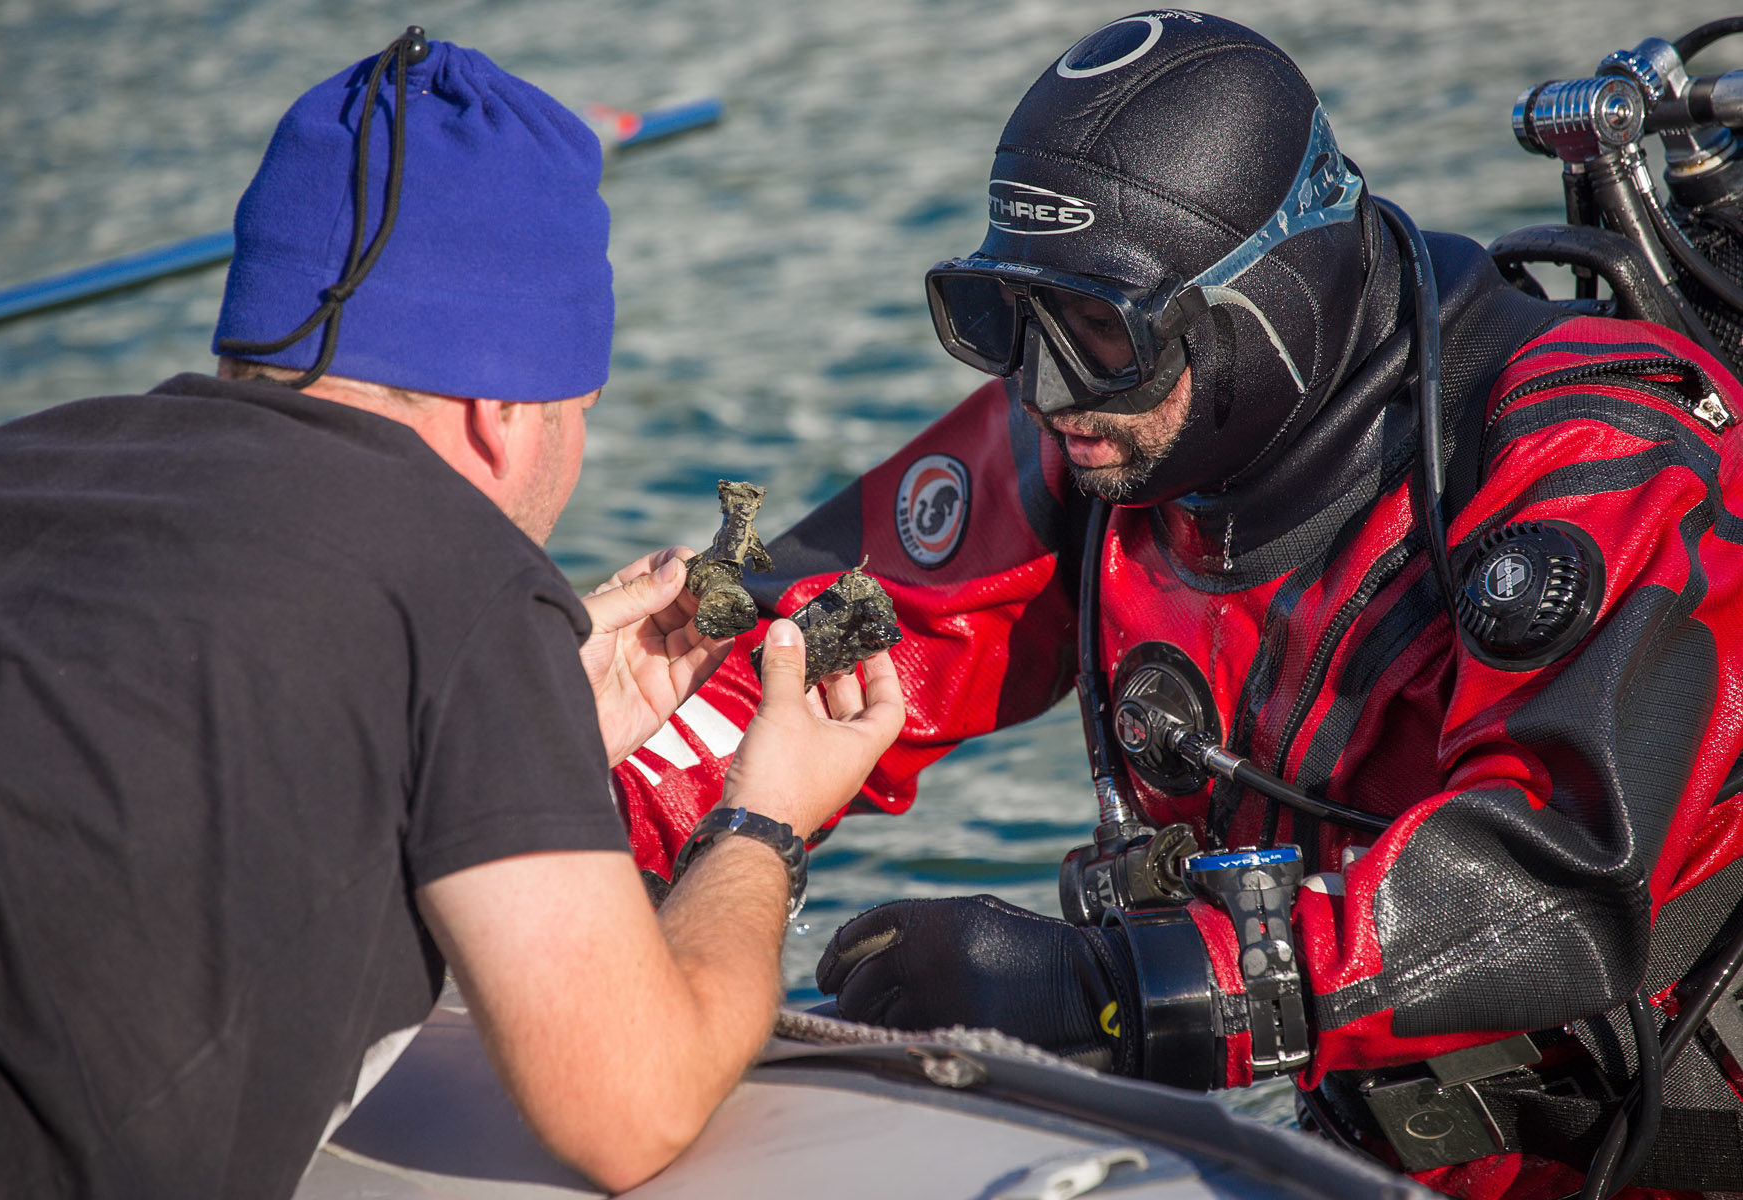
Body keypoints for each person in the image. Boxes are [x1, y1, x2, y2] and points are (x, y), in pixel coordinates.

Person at [610, 12, 1743, 1199]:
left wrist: (1101, 990)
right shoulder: (1108, 435)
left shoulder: (1588, 462)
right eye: (1008, 318)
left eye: (1099, 327)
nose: (1044, 387)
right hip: (1344, 1148)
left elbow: (1553, 892)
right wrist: (581, 839)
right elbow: (793, 657)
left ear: (1272, 298)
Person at [0, 30, 904, 1200]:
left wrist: (518, 730)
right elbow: (632, 1108)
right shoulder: (454, 569)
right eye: (578, 407)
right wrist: (765, 823)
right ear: (507, 411)